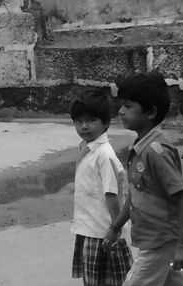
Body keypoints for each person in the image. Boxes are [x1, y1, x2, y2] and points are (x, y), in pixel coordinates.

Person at [104, 71, 183, 286]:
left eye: (128, 106)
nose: (121, 111)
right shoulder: (139, 149)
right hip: (153, 240)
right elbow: (135, 196)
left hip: (160, 243)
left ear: (150, 112)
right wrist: (116, 226)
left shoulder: (156, 152)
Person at [70, 88, 133, 286]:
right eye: (79, 121)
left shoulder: (104, 155)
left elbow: (111, 194)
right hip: (89, 229)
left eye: (90, 120)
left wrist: (115, 230)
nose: (84, 126)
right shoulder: (87, 149)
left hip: (103, 233)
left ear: (105, 122)